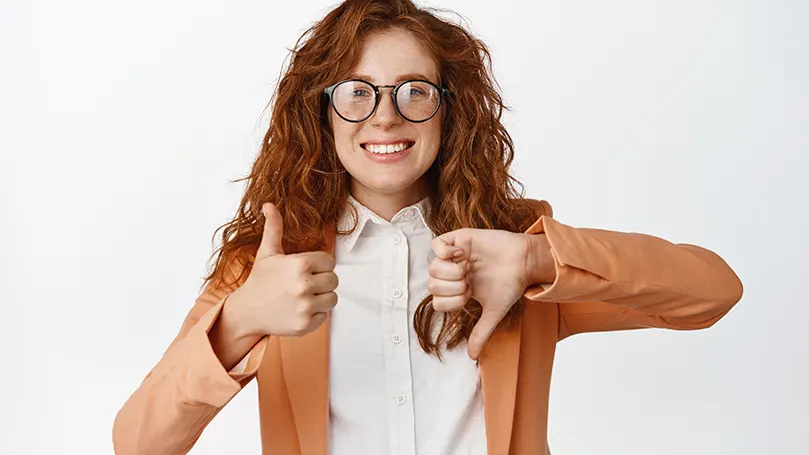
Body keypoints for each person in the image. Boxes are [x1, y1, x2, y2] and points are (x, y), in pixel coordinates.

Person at [112, 0, 744, 454]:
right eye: (356, 92)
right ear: (321, 114)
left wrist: (539, 263)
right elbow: (136, 443)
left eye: (414, 91)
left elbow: (712, 293)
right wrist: (240, 321)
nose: (385, 117)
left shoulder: (514, 248)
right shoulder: (270, 268)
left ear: (450, 111)